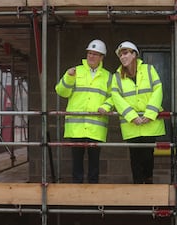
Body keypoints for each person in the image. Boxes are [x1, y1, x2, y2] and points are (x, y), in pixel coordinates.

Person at [55, 39, 113, 183]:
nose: (91, 56)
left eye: (95, 54)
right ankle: (77, 192)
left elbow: (114, 97)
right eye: (89, 53)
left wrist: (106, 107)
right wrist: (68, 78)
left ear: (102, 57)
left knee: (94, 163)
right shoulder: (75, 71)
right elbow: (62, 92)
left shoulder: (108, 76)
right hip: (76, 127)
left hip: (96, 126)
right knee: (76, 162)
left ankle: (93, 191)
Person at [111, 41, 166, 184]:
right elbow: (116, 97)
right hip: (132, 125)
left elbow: (158, 89)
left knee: (148, 158)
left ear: (134, 54)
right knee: (135, 158)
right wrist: (132, 116)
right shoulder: (117, 76)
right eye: (121, 55)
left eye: (126, 53)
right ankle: (138, 189)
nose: (123, 57)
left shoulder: (148, 69)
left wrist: (149, 114)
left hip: (150, 123)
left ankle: (148, 186)